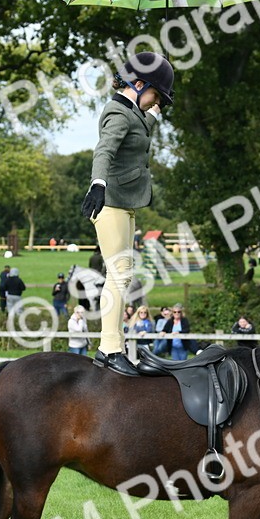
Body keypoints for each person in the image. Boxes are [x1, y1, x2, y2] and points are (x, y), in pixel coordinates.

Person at [79, 52, 173, 376]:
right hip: (112, 203)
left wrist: (156, 109)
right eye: (155, 94)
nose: (154, 101)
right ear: (138, 84)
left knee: (124, 276)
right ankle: (109, 349)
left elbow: (141, 129)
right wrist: (98, 184)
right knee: (118, 275)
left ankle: (112, 346)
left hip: (126, 204)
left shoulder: (132, 112)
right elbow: (104, 149)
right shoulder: (118, 114)